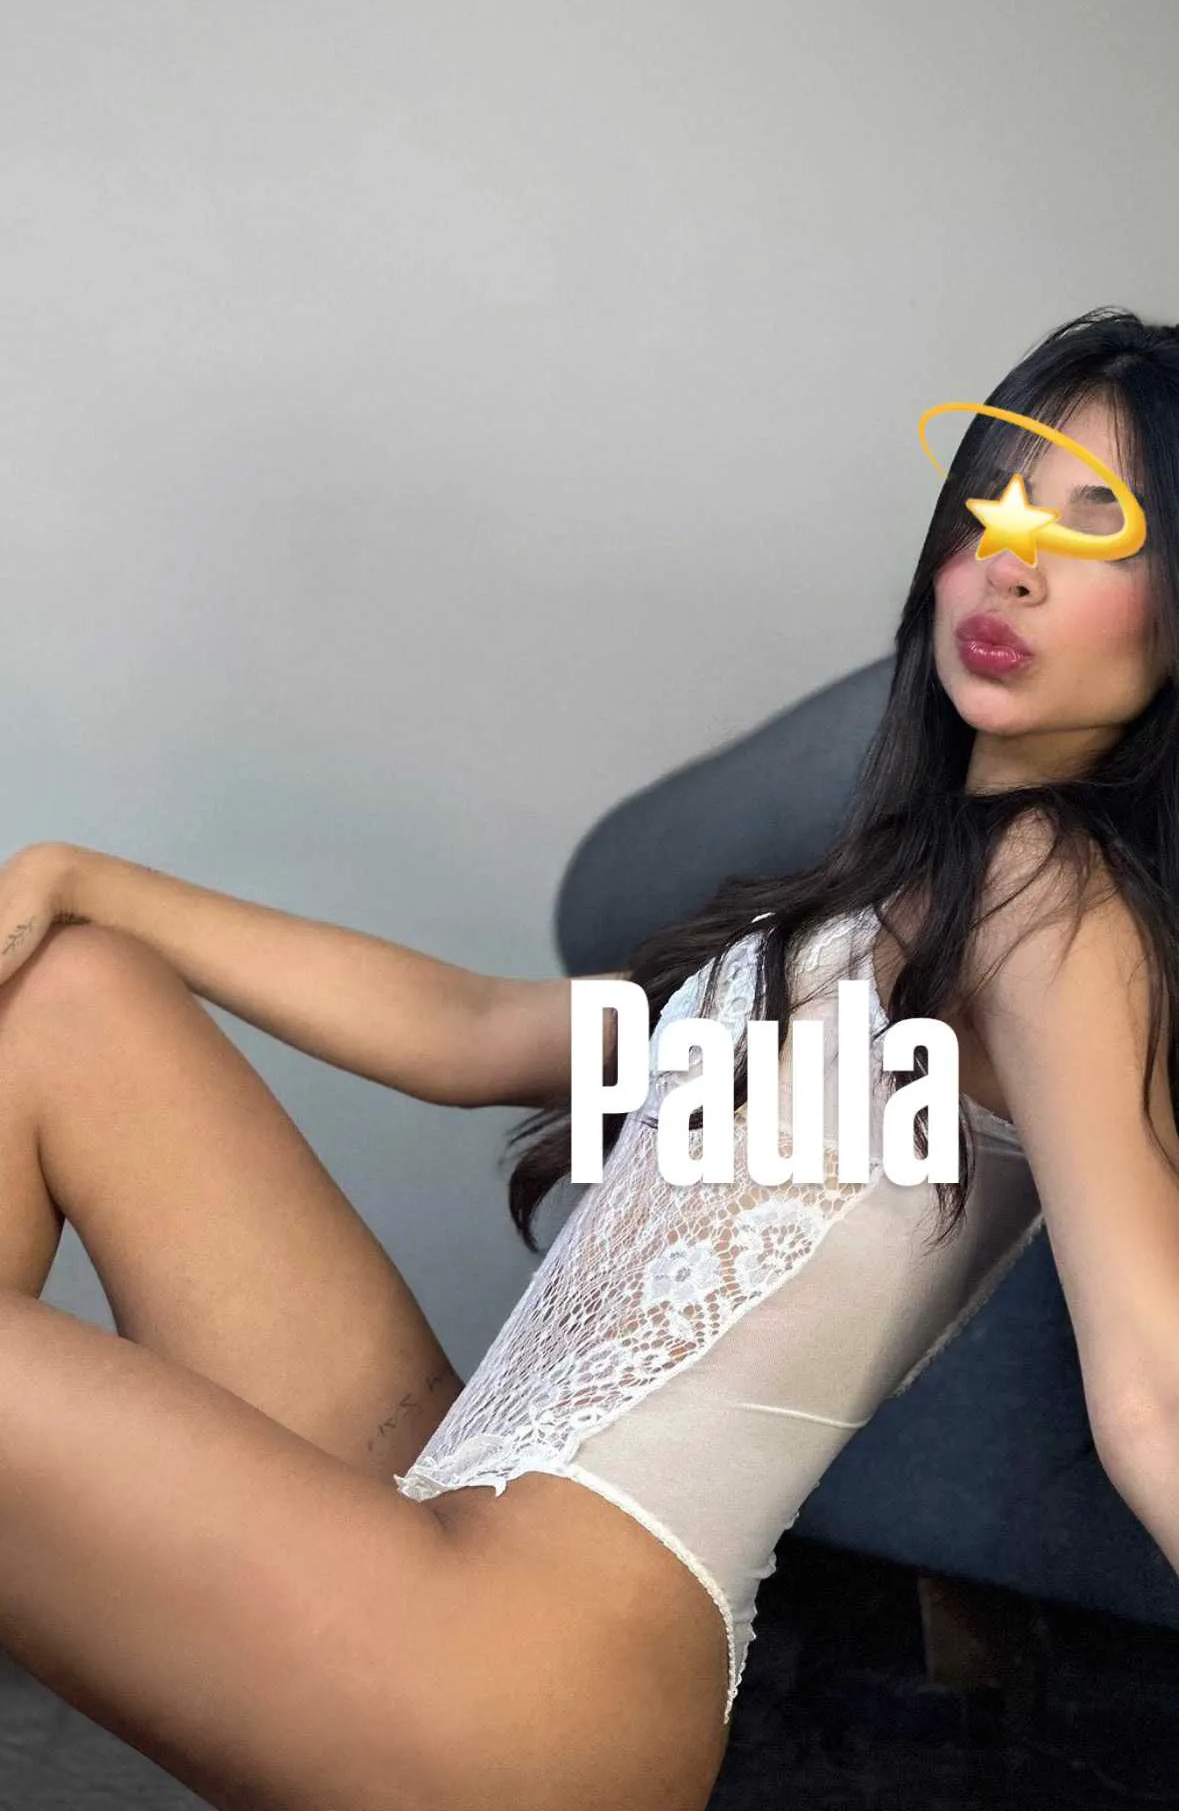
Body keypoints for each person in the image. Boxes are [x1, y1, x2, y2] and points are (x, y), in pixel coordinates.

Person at [0, 305, 1177, 1811]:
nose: (1018, 562)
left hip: (527, 1672)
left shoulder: (1054, 903)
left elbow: (1148, 1385)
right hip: (438, 1511)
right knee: (74, 993)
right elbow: (471, 1031)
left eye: (1100, 527)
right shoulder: (868, 899)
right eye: (1001, 504)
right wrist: (90, 880)